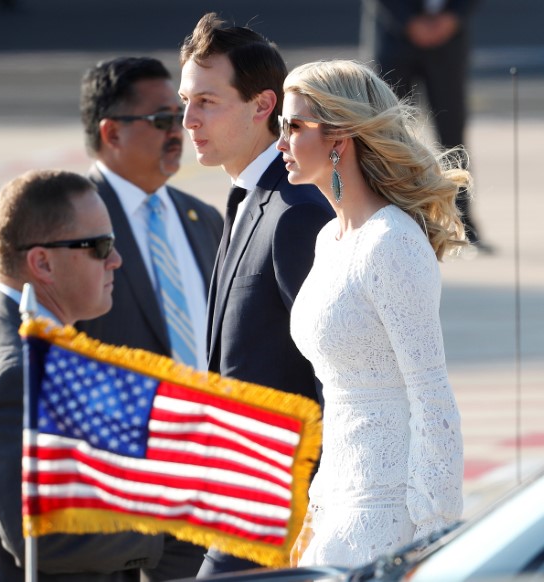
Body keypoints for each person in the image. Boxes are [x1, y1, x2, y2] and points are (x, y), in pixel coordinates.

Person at [0, 169, 168, 581]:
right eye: (101, 246)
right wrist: (161, 525)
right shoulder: (16, 373)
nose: (116, 260)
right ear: (42, 263)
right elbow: (41, 538)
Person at [277, 59, 464, 568]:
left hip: (388, 516)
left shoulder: (392, 243)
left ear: (339, 137)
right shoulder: (329, 239)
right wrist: (316, 508)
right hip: (335, 501)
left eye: (293, 126)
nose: (280, 143)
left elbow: (433, 400)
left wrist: (432, 540)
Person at [178, 13, 334, 576]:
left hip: (277, 509)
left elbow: (331, 369)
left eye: (206, 102)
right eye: (186, 101)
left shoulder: (296, 212)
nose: (187, 119)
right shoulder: (250, 197)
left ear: (262, 105)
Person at [74, 55, 223, 581]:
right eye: (161, 119)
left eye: (180, 114)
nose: (180, 130)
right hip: (121, 504)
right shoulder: (69, 227)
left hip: (206, 493)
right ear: (112, 132)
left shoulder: (201, 219)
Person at [360, 0, 489, 252]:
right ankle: (388, 218)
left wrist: (453, 16)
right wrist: (408, 20)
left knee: (453, 135)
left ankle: (461, 224)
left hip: (448, 38)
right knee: (389, 135)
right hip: (395, 36)